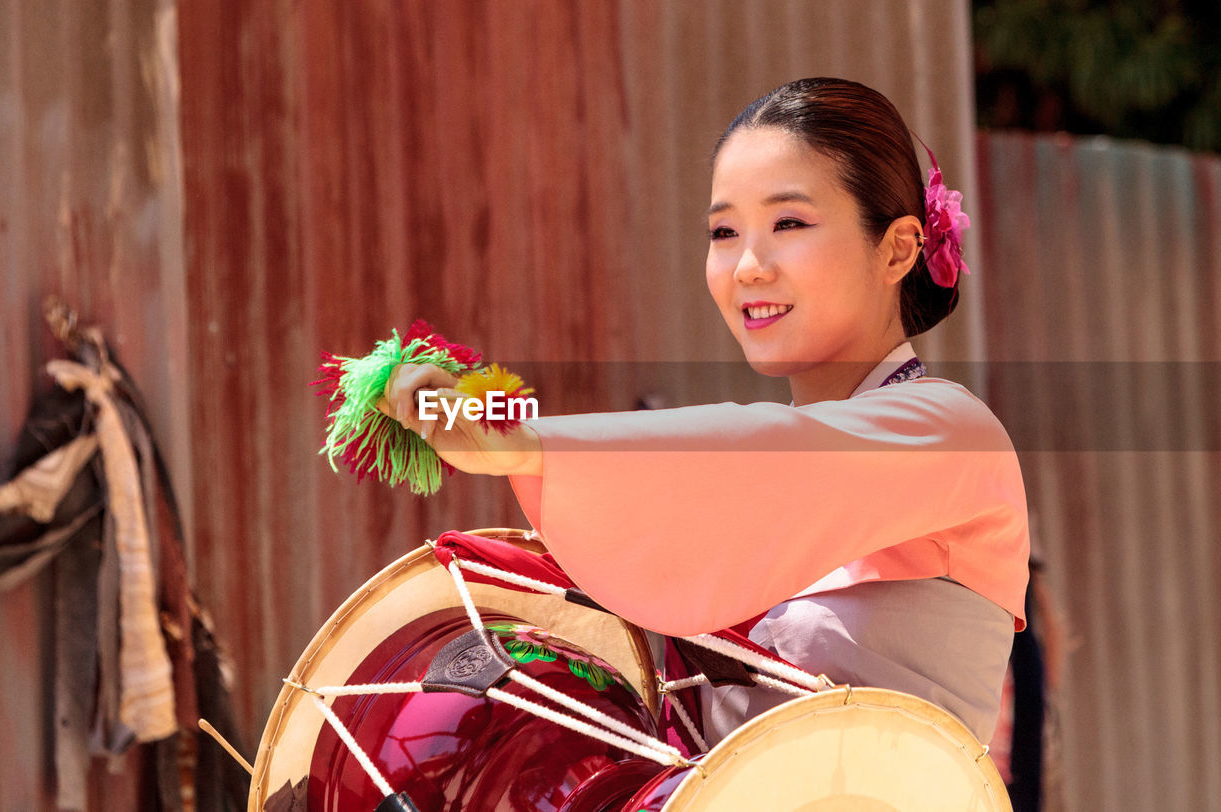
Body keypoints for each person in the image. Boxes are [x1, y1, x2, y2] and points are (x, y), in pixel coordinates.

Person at [378, 77, 1030, 746]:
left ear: (897, 248)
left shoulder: (953, 433)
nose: (747, 266)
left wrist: (523, 443)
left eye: (789, 223)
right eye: (724, 231)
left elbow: (777, 454)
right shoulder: (756, 487)